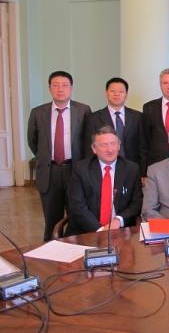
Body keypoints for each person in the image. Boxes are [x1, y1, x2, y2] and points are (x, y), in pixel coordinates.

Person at [27, 71, 91, 241]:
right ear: (49, 88)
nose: (60, 89)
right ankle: (51, 252)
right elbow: (33, 141)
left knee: (76, 217)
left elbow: (87, 141)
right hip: (50, 172)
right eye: (55, 85)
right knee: (51, 220)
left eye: (64, 85)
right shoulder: (38, 112)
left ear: (71, 88)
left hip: (75, 170)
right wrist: (45, 157)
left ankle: (76, 251)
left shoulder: (83, 110)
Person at [67, 126, 142, 235]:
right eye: (103, 145)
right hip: (87, 231)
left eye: (113, 144)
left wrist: (119, 220)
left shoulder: (131, 169)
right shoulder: (81, 169)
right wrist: (100, 230)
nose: (110, 150)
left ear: (119, 146)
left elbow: (136, 204)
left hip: (120, 232)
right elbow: (77, 206)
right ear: (94, 148)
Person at [85, 77, 146, 165]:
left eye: (121, 91)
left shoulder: (138, 117)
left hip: (133, 167)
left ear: (126, 94)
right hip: (103, 167)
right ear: (106, 93)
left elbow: (143, 147)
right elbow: (89, 148)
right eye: (112, 91)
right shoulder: (93, 118)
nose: (116, 94)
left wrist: (142, 169)